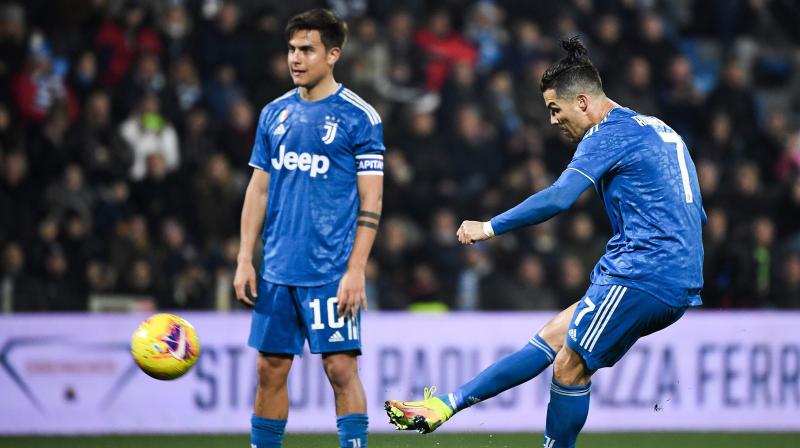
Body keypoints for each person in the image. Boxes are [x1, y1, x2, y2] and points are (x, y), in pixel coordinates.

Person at [385, 37, 705, 448]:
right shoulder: (658, 128)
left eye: (556, 109)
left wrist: (489, 227)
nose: (553, 121)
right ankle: (447, 404)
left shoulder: (608, 133)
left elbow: (558, 197)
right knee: (552, 339)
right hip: (671, 271)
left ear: (584, 101)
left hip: (645, 271)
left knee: (568, 369)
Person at [234, 9, 384, 448]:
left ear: (332, 54)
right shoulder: (273, 114)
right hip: (278, 269)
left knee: (340, 369)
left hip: (331, 272)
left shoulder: (360, 117)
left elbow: (371, 200)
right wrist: (246, 257)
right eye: (292, 49)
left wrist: (356, 269)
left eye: (307, 50)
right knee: (269, 369)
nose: (296, 59)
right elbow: (258, 190)